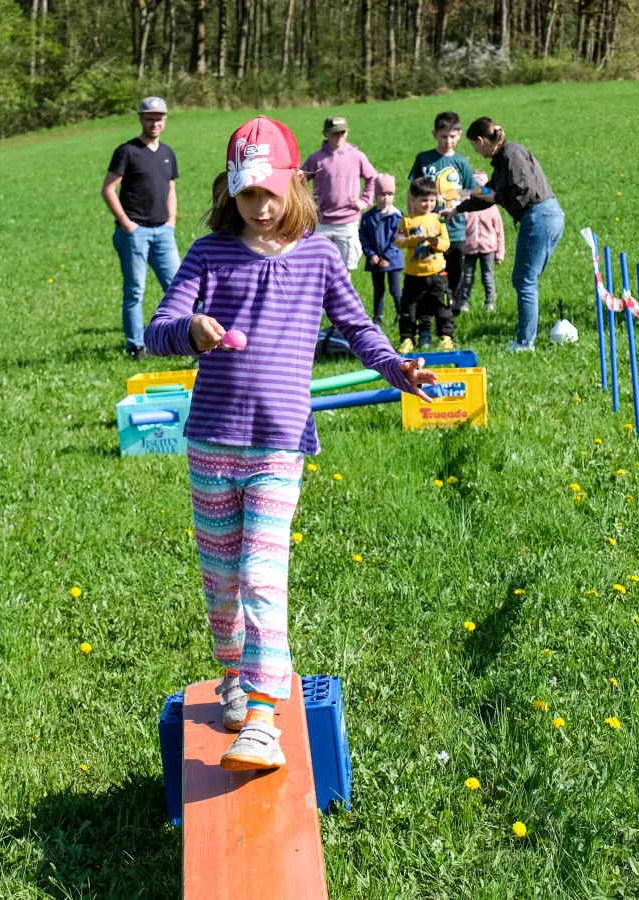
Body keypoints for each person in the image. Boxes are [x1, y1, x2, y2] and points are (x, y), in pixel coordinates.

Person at [145, 115, 437, 770]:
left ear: (294, 183)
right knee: (221, 584)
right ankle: (231, 671)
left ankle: (262, 718)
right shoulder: (208, 254)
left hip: (279, 446)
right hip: (211, 446)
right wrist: (191, 331)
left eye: (269, 191)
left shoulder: (318, 258)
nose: (259, 206)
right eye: (246, 194)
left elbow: (360, 328)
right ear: (231, 193)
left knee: (258, 577)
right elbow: (156, 329)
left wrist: (397, 369)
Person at [456, 117, 565, 351]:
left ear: (481, 140)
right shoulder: (502, 159)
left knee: (524, 281)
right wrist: (457, 204)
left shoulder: (510, 154)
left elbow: (521, 191)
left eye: (473, 145)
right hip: (543, 217)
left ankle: (525, 343)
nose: (474, 150)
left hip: (539, 217)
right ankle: (525, 339)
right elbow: (488, 191)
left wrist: (494, 197)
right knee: (526, 280)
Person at [103, 96, 181, 362]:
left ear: (165, 120)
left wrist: (171, 220)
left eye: (159, 118)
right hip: (135, 233)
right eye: (149, 118)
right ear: (141, 119)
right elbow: (108, 188)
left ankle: (180, 338)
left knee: (177, 287)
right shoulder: (127, 151)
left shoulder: (168, 153)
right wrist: (127, 224)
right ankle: (136, 345)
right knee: (135, 291)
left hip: (164, 232)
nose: (155, 123)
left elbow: (171, 189)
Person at [409, 111, 478, 312]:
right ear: (435, 134)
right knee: (428, 271)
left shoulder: (461, 163)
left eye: (452, 136)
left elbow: (470, 191)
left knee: (455, 271)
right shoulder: (424, 159)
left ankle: (450, 311)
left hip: (455, 228)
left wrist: (455, 197)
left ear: (459, 135)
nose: (448, 141)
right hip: (428, 228)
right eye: (443, 136)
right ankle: (426, 312)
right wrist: (412, 217)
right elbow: (412, 189)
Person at [302, 116, 377, 270]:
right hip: (321, 223)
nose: (339, 136)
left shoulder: (357, 156)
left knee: (345, 270)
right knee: (319, 269)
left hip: (348, 223)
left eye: (342, 132)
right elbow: (299, 181)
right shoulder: (316, 159)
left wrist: (365, 201)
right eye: (335, 133)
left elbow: (372, 178)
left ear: (347, 133)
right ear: (325, 133)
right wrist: (305, 205)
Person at [395, 178, 455, 352]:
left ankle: (446, 336)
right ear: (413, 199)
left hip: (436, 272)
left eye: (431, 200)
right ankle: (407, 338)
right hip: (413, 273)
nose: (428, 204)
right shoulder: (407, 220)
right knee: (409, 307)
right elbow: (399, 241)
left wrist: (435, 241)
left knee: (442, 304)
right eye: (423, 200)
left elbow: (446, 244)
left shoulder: (437, 220)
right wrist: (414, 240)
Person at [357, 174, 403, 326]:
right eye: (382, 194)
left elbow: (398, 239)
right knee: (378, 290)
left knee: (395, 289)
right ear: (376, 195)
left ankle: (401, 314)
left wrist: (387, 257)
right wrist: (371, 254)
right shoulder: (368, 217)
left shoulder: (397, 216)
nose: (386, 198)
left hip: (393, 261)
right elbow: (363, 237)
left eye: (389, 194)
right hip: (375, 261)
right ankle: (378, 316)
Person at [459, 171, 505, 312]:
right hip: (469, 248)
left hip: (488, 248)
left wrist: (500, 253)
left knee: (488, 276)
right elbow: (460, 229)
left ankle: (490, 303)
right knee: (466, 277)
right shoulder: (465, 207)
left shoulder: (492, 208)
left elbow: (499, 231)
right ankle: (464, 302)